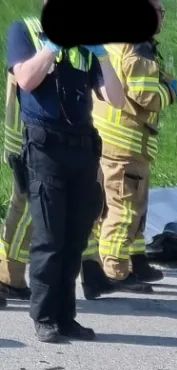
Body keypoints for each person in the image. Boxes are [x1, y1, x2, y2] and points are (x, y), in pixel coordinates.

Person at [5, 16, 124, 341]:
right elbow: (26, 80)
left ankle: (66, 316)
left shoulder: (85, 48)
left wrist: (102, 55)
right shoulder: (24, 30)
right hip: (45, 146)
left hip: (82, 147)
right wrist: (51, 47)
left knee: (75, 238)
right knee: (50, 236)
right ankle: (44, 317)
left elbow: (116, 98)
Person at [89, 0, 175, 293]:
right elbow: (144, 95)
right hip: (126, 141)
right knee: (124, 207)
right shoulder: (138, 45)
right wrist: (169, 90)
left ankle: (133, 259)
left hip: (108, 138)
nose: (162, 17)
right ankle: (115, 269)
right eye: (159, 12)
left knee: (121, 204)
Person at [0, 56, 30, 300]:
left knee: (21, 209)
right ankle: (8, 275)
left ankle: (9, 275)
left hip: (24, 144)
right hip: (27, 146)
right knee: (24, 210)